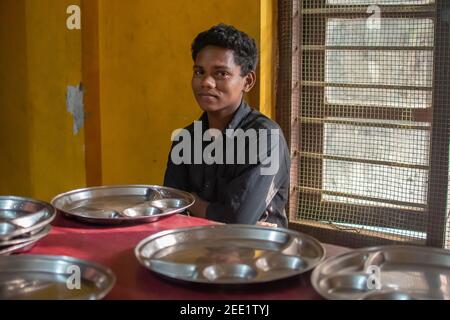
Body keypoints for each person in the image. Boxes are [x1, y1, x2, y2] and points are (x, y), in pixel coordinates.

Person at [163, 23, 290, 228]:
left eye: (221, 73)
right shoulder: (186, 138)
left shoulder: (266, 138)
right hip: (197, 248)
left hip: (258, 252)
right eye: (199, 72)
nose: (206, 82)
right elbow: (168, 207)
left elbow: (236, 221)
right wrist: (196, 206)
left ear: (247, 81)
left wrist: (190, 201)